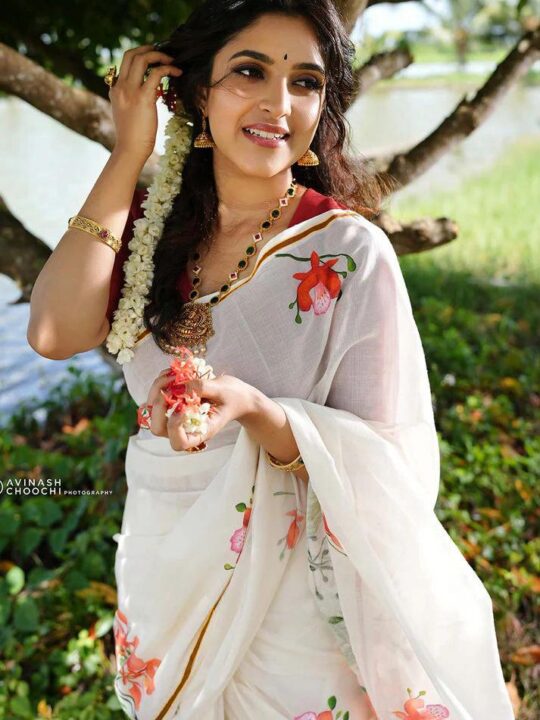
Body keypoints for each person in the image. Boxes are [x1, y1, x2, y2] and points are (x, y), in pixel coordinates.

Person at [27, 1, 515, 719]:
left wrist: (259, 413)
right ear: (199, 93)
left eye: (305, 82)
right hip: (170, 573)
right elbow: (52, 332)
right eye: (249, 72)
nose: (278, 103)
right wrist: (127, 153)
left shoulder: (348, 252)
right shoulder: (152, 230)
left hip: (297, 615)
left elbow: (394, 466)